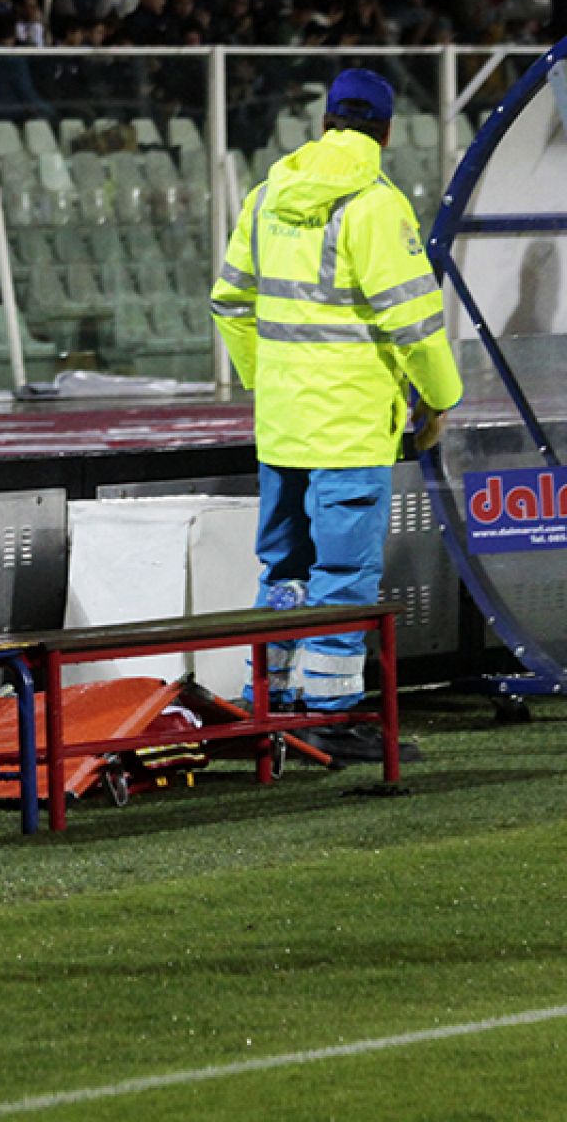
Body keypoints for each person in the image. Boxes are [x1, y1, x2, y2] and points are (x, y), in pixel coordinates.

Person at [210, 69, 463, 763]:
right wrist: (440, 396)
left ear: (325, 122)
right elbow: (413, 321)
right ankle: (331, 716)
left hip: (282, 425)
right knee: (344, 575)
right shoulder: (377, 205)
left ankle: (271, 708)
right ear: (386, 131)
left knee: (282, 569)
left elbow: (229, 303)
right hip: (350, 430)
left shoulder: (266, 196)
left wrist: (268, 380)